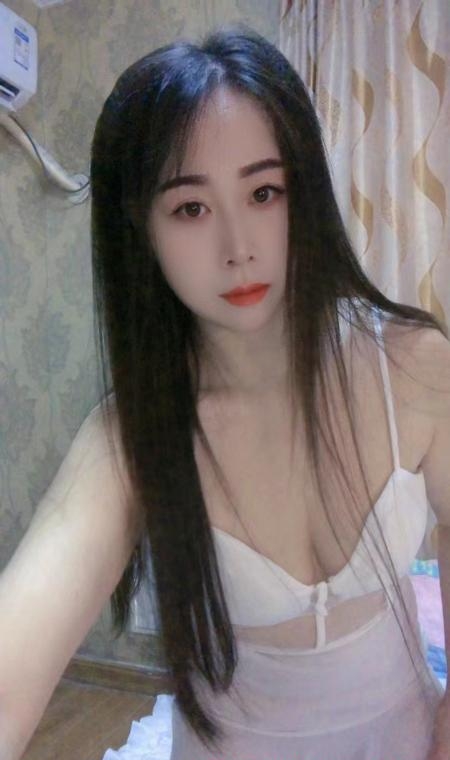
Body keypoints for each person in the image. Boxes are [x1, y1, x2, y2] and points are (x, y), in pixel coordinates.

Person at [1, 23, 449, 760]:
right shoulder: (130, 441)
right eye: (191, 208)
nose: (238, 247)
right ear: (142, 230)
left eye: (264, 192)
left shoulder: (414, 366)